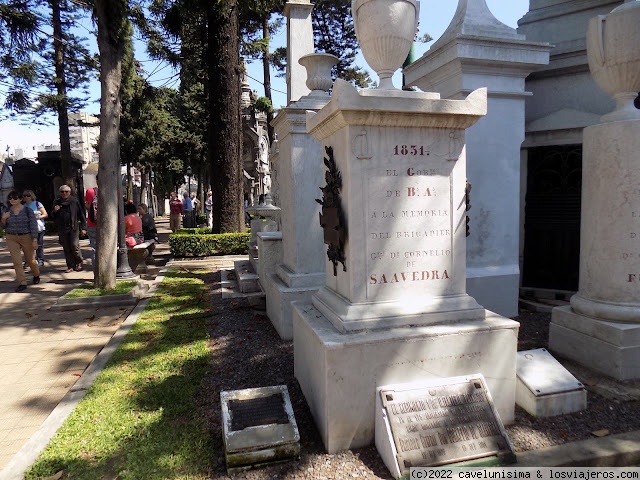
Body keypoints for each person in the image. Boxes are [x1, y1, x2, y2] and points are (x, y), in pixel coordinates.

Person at [1, 190, 40, 291]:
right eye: (10, 198)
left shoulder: (27, 211)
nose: (12, 200)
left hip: (26, 236)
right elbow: (2, 226)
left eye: (15, 198)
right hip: (11, 237)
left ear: (20, 199)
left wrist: (34, 239)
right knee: (17, 261)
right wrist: (3, 219)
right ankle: (22, 282)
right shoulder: (7, 211)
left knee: (30, 260)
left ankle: (36, 274)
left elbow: (33, 225)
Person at [52, 185, 86, 273]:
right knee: (66, 247)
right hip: (62, 228)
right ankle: (70, 265)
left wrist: (83, 228)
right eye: (62, 192)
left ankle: (79, 262)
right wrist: (55, 211)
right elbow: (52, 216)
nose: (64, 193)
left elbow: (81, 215)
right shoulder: (57, 202)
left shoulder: (74, 201)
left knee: (75, 246)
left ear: (69, 192)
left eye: (66, 191)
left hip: (73, 227)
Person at [22, 189, 47, 266]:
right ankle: (29, 260)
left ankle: (40, 259)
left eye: (28, 196)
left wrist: (37, 217)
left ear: (31, 196)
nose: (26, 197)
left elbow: (45, 214)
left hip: (38, 226)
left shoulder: (37, 204)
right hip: (28, 227)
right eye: (24, 196)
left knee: (39, 244)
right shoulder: (23, 206)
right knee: (28, 245)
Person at [84, 179, 98, 265]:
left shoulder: (90, 191)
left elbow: (87, 205)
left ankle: (96, 272)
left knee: (94, 248)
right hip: (108, 225)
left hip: (92, 223)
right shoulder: (112, 191)